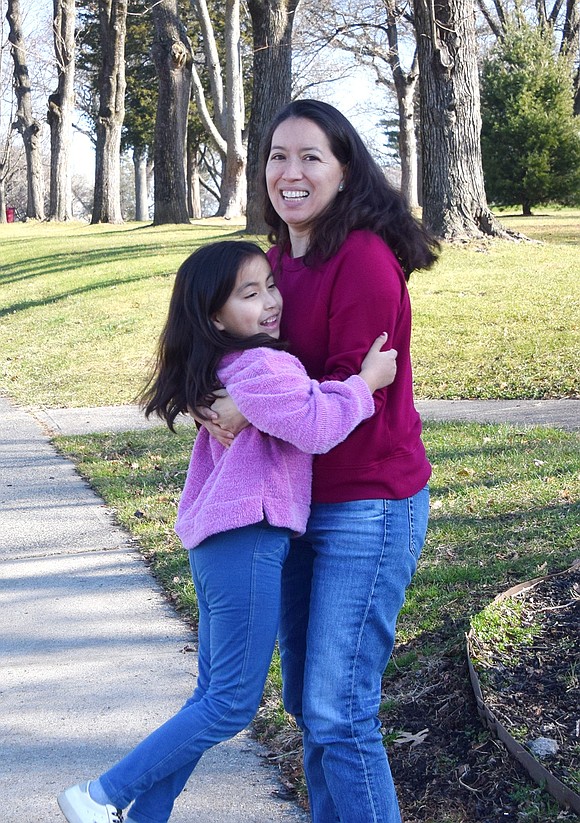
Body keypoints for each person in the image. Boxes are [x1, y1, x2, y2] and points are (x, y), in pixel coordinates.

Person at [57, 239, 397, 823]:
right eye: (249, 294)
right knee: (231, 704)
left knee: (212, 696)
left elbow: (295, 411)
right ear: (215, 315)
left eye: (270, 285)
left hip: (224, 544)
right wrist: (366, 382)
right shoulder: (263, 364)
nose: (270, 302)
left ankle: (141, 815)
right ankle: (101, 795)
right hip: (247, 541)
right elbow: (316, 424)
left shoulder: (228, 365)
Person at [206, 100, 440, 823]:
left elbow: (338, 409)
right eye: (278, 155)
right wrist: (209, 393)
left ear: (345, 170)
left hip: (368, 502)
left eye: (311, 156)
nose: (291, 172)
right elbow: (224, 346)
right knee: (312, 709)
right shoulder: (272, 264)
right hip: (298, 504)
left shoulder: (363, 259)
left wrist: (252, 405)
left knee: (341, 710)